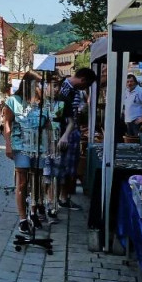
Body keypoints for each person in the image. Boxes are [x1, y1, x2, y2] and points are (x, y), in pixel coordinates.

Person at [2, 72, 44, 235]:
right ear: (28, 84)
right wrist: (8, 145)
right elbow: (7, 124)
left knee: (37, 182)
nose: (39, 87)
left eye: (40, 84)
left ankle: (33, 212)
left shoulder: (41, 101)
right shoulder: (13, 101)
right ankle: (22, 218)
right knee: (22, 182)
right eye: (37, 83)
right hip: (20, 146)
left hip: (39, 147)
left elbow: (47, 122)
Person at [54, 67, 95, 210]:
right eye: (87, 84)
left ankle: (63, 197)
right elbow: (59, 115)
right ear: (83, 79)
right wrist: (65, 133)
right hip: (66, 133)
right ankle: (62, 198)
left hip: (71, 131)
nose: (87, 88)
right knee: (65, 166)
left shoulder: (74, 89)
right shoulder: (65, 89)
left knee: (70, 166)